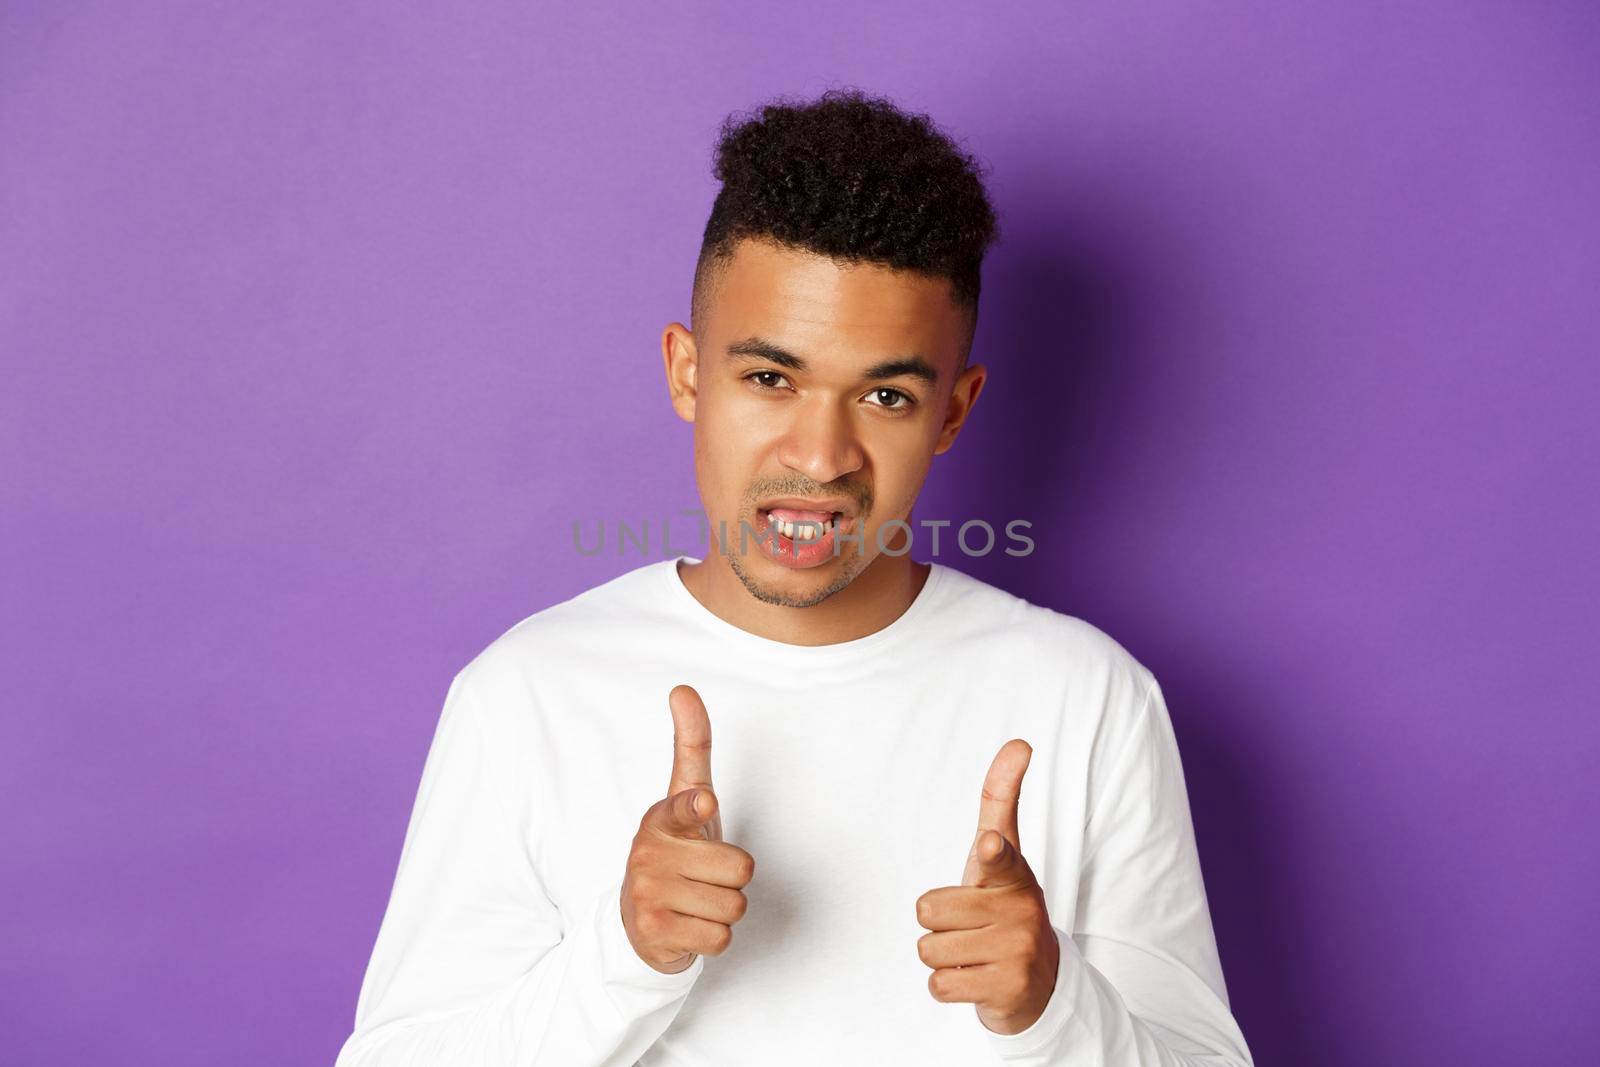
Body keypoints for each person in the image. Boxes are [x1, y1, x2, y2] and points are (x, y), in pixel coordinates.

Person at [332, 87, 1254, 1066]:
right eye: (770, 378)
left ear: (952, 410)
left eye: (887, 394)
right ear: (687, 373)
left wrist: (1052, 1006)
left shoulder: (1086, 699)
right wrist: (623, 955)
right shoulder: (528, 693)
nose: (819, 455)